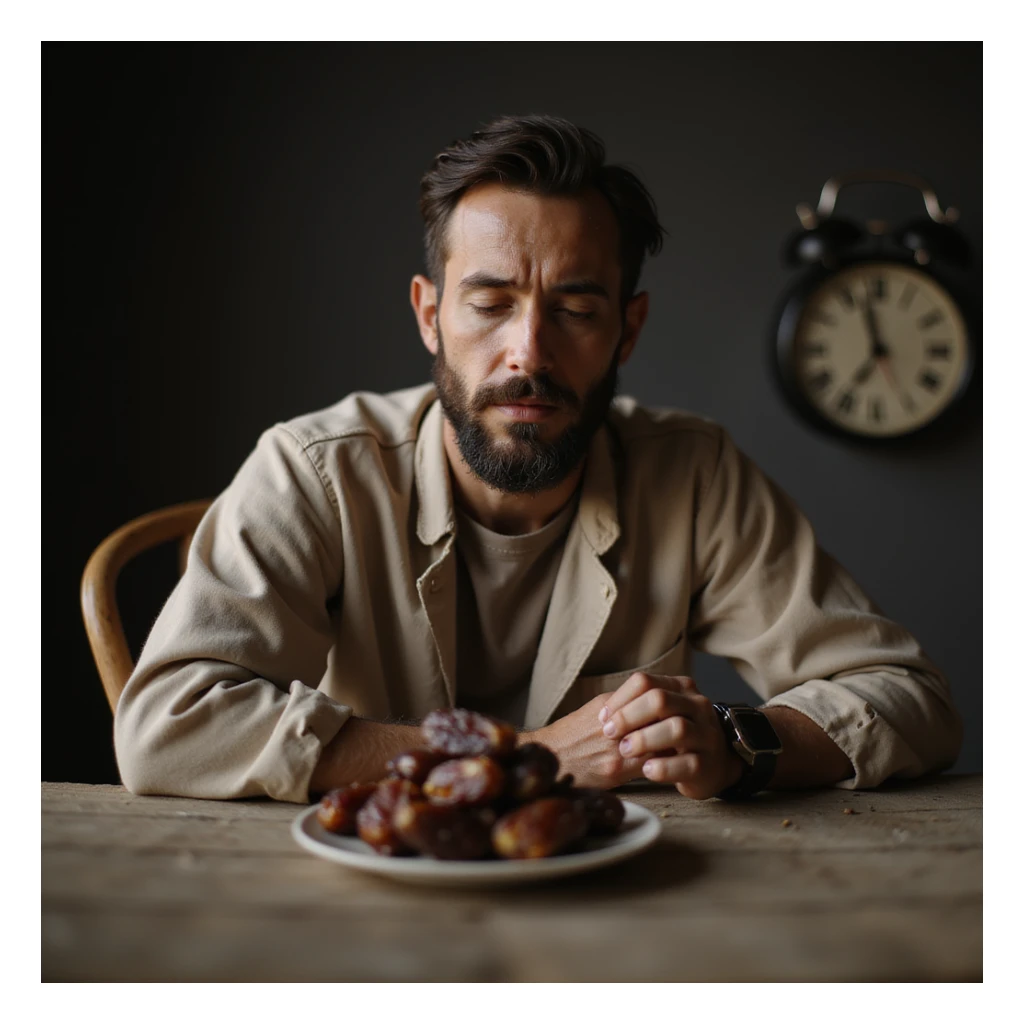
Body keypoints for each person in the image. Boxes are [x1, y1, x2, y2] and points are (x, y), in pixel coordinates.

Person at [114, 114, 962, 804]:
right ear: (430, 316)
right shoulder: (315, 470)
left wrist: (740, 745)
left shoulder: (694, 475)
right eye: (490, 304)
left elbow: (907, 697)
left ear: (627, 328)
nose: (529, 352)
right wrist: (529, 758)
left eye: (576, 311)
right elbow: (167, 728)